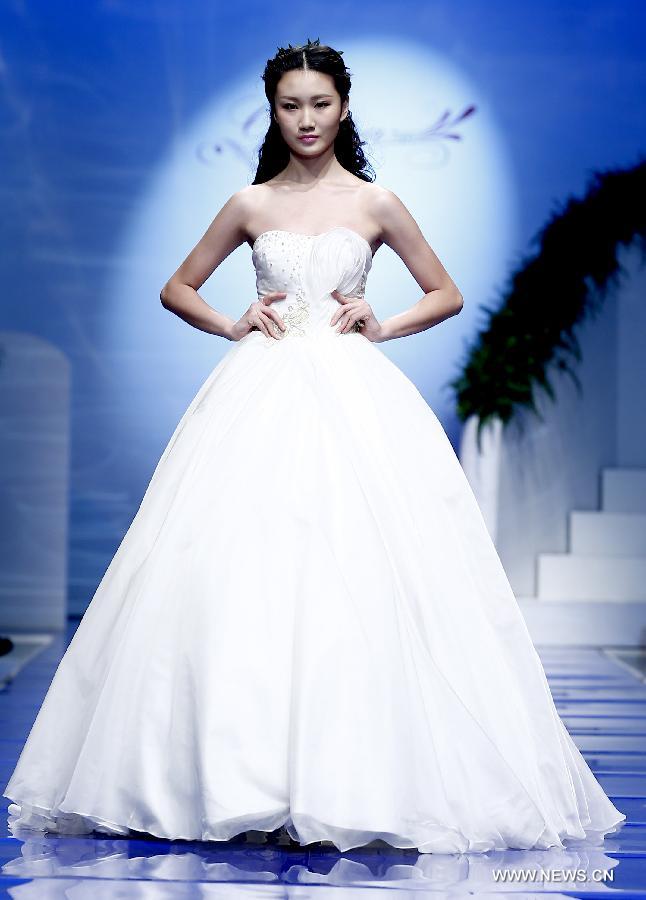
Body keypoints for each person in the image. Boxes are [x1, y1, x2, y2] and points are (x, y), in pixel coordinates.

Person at [3, 39, 626, 855]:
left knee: (357, 569)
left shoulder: (377, 202)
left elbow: (445, 291)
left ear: (343, 107)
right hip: (254, 397)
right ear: (273, 110)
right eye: (291, 104)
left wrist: (385, 322)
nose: (306, 119)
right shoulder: (249, 203)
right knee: (243, 574)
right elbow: (175, 286)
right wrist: (232, 321)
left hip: (355, 400)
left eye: (320, 104)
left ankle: (349, 776)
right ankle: (237, 775)